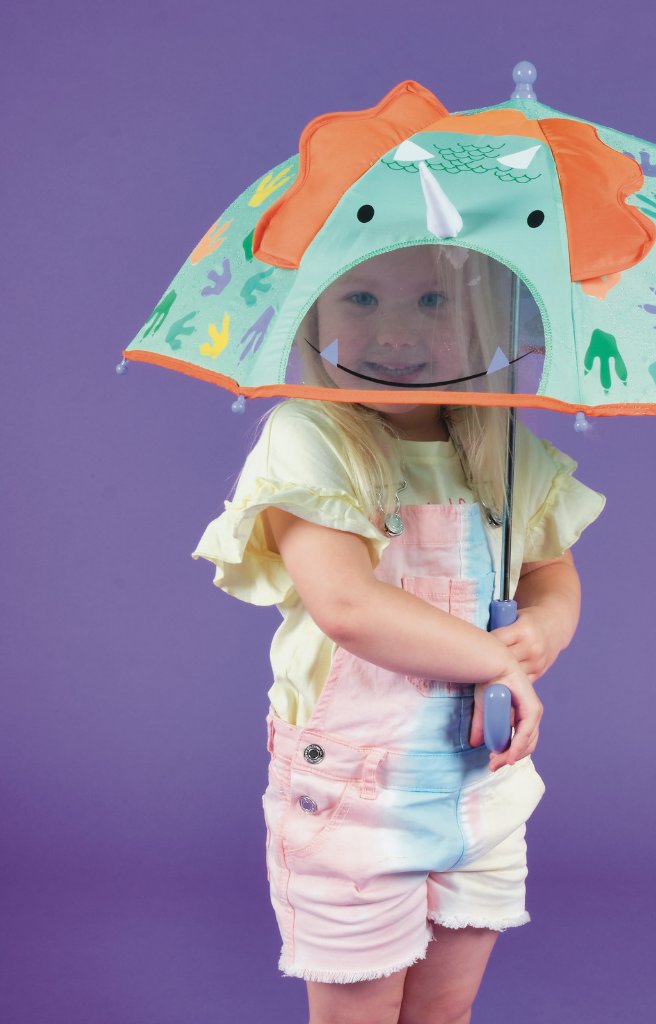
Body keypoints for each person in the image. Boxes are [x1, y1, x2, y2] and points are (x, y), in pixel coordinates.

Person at [191, 244, 604, 1024]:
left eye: (433, 302)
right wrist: (491, 658)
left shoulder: (504, 449)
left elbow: (551, 569)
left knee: (444, 1013)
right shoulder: (311, 439)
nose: (396, 334)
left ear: (486, 318)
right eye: (361, 301)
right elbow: (346, 604)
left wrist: (545, 627)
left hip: (483, 784)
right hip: (357, 795)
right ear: (314, 316)